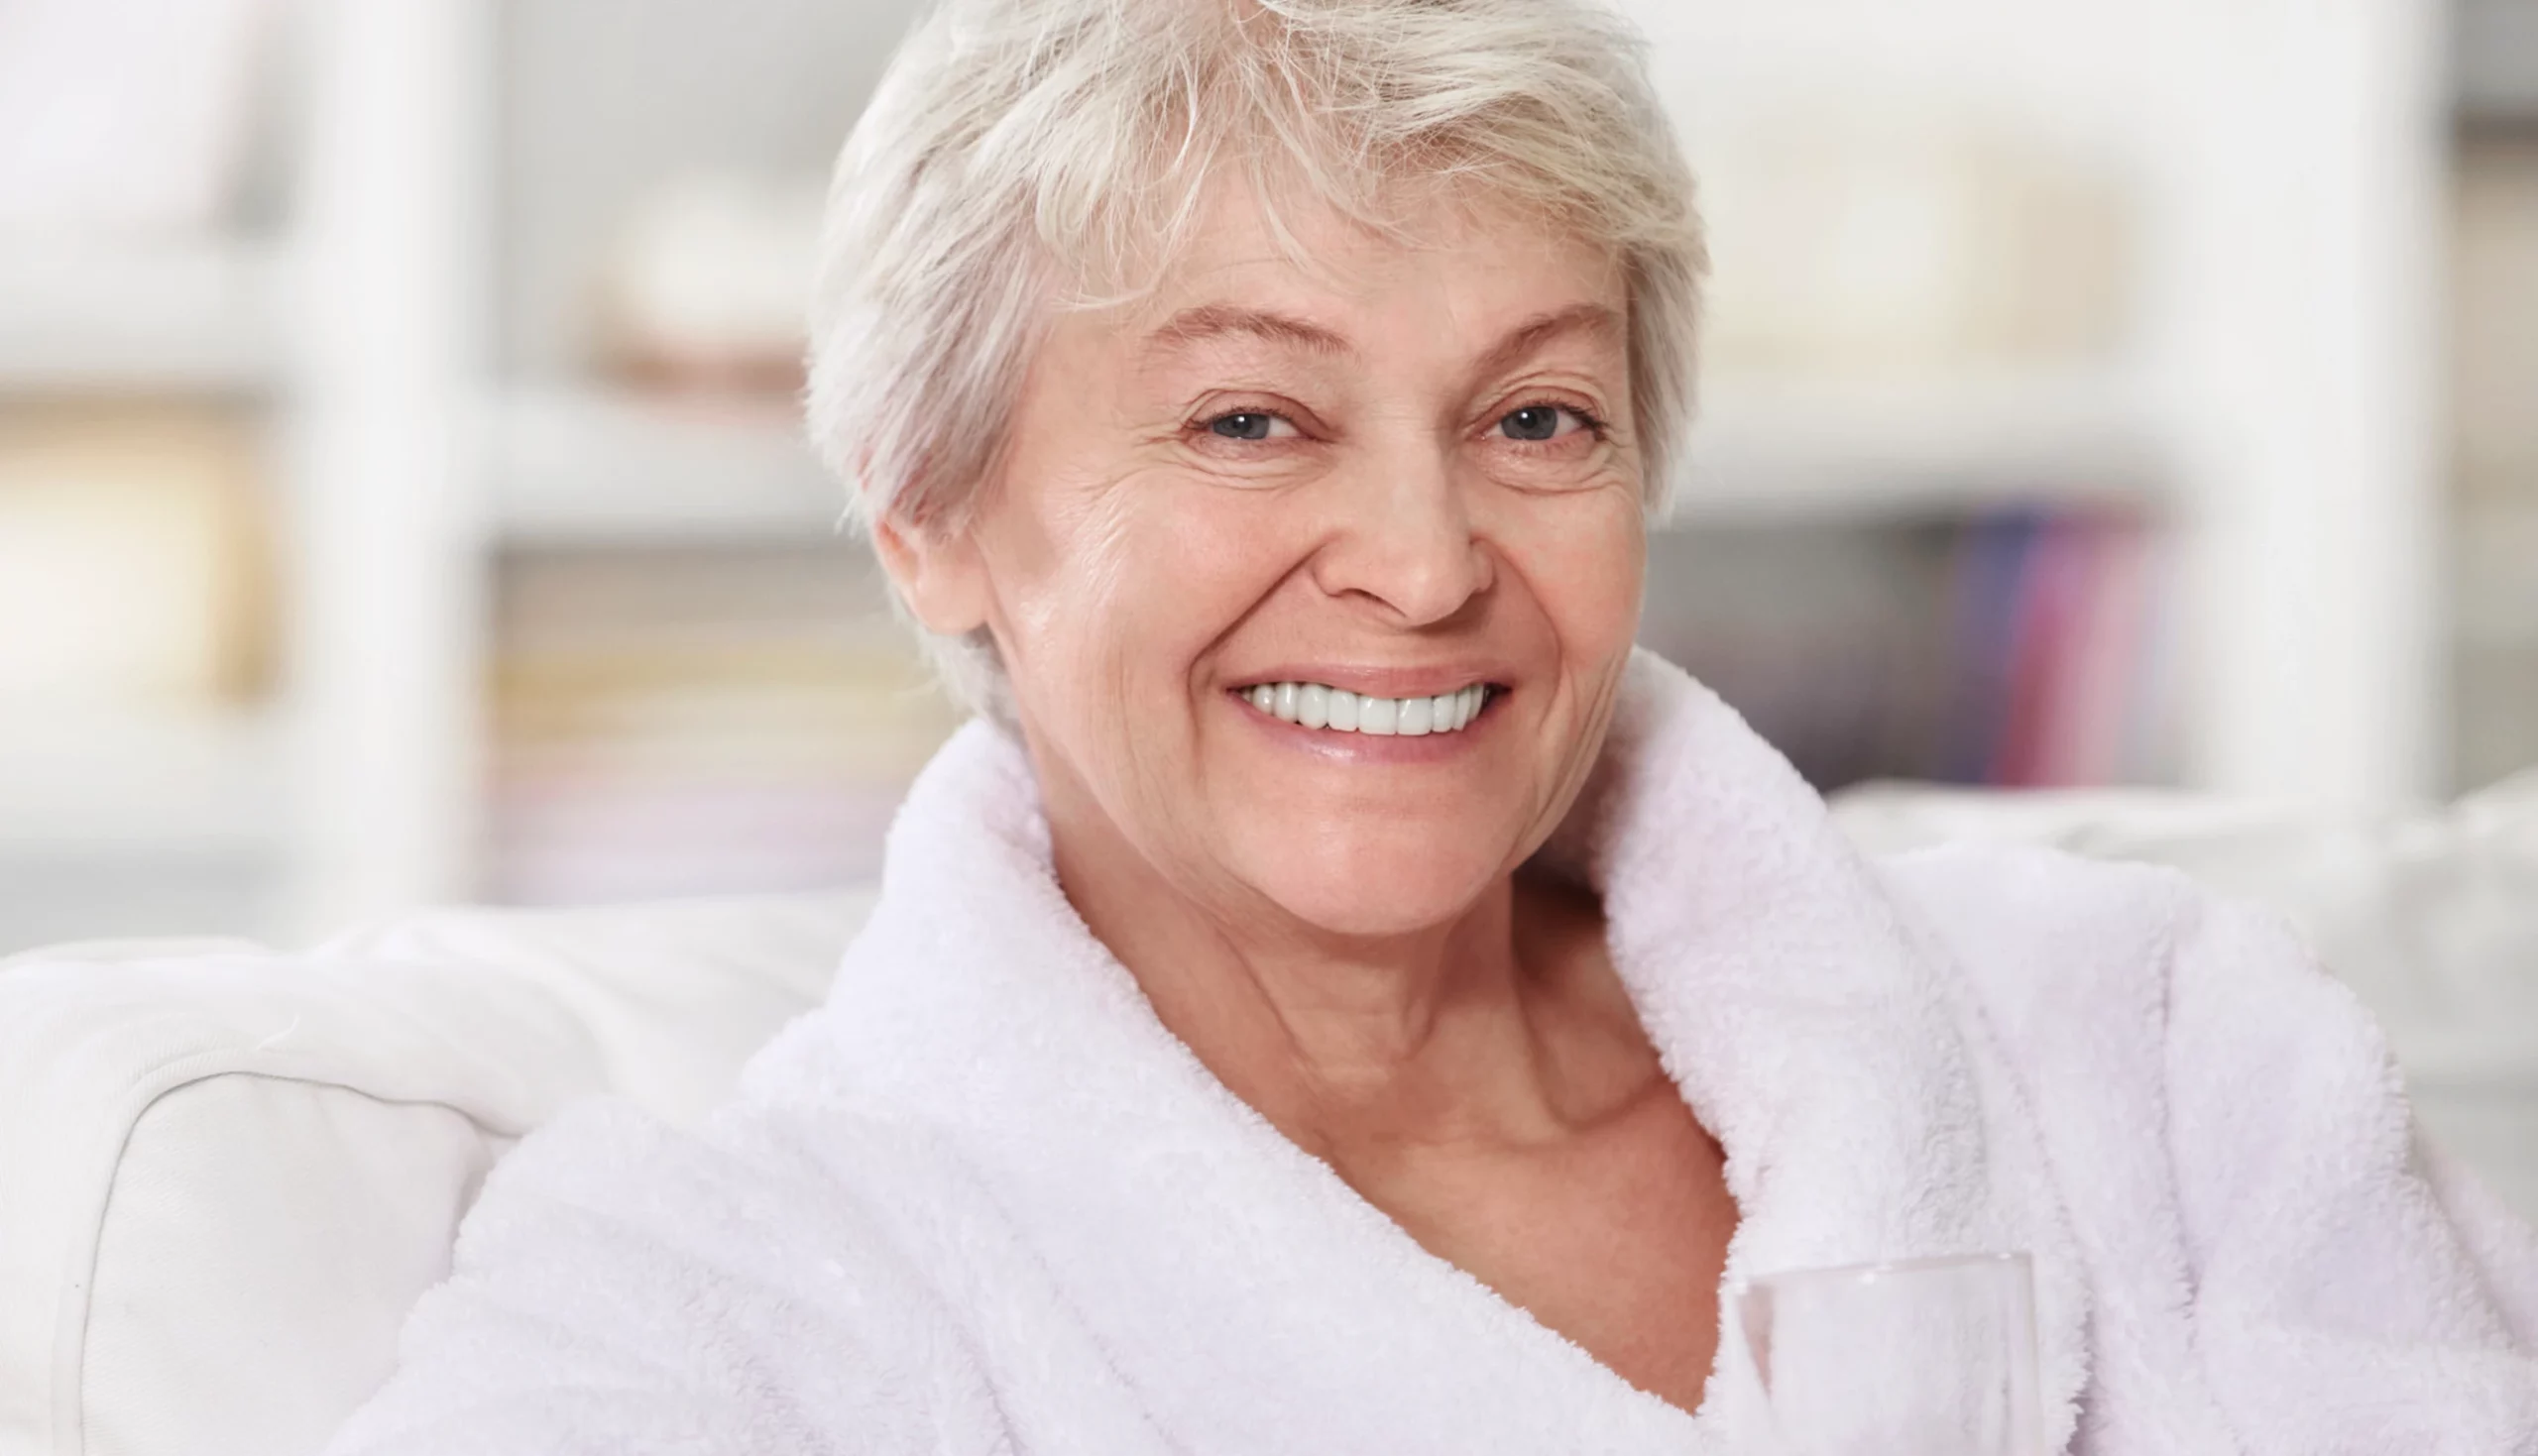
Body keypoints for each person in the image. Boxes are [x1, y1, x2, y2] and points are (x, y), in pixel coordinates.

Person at [326, 0, 2538, 1450]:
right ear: (930, 524)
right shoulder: (721, 1299)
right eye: (1251, 414)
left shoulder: (2149, 1048)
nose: (1420, 552)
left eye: (1534, 413)